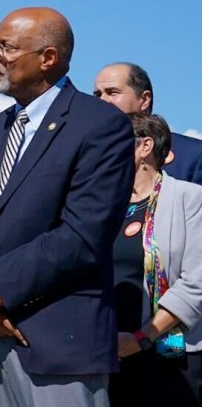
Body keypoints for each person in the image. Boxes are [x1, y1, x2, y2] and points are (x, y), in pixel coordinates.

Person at [0, 7, 135, 407]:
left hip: (58, 342)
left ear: (48, 58)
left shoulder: (99, 124)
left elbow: (83, 235)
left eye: (6, 47)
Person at [110, 113, 202, 406]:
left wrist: (141, 338)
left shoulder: (190, 198)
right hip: (108, 352)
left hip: (169, 350)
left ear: (144, 146)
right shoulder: (104, 204)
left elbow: (196, 283)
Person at [94, 62, 202, 184]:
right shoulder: (89, 153)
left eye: (112, 92)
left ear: (145, 99)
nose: (102, 101)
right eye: (97, 94)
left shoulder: (192, 156)